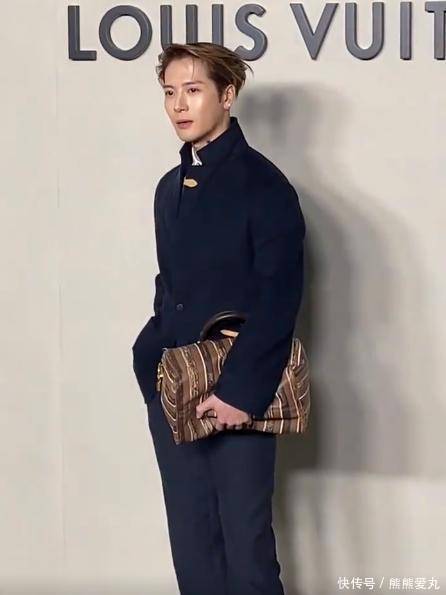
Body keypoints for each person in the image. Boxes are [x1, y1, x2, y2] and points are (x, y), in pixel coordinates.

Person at [132, 42, 306, 595]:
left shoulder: (265, 185)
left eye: (193, 90)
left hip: (238, 394)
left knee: (248, 559)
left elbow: (280, 297)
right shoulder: (169, 188)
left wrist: (239, 395)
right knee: (194, 556)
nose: (179, 105)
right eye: (169, 92)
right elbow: (171, 286)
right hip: (174, 388)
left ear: (227, 96)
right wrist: (150, 361)